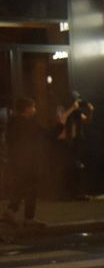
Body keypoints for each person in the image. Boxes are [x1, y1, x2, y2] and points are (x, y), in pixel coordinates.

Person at [2, 97, 48, 228]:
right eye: (33, 106)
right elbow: (46, 134)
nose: (34, 109)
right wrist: (61, 124)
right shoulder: (29, 124)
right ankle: (28, 218)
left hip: (16, 161)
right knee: (31, 189)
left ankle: (10, 211)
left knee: (21, 187)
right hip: (28, 161)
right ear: (27, 109)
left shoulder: (12, 122)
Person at [58, 91, 93, 199]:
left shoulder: (77, 112)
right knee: (66, 167)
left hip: (76, 141)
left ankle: (78, 192)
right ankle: (66, 193)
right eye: (75, 100)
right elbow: (62, 119)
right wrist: (72, 108)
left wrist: (90, 111)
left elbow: (87, 121)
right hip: (65, 142)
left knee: (78, 166)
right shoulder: (62, 108)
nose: (78, 102)